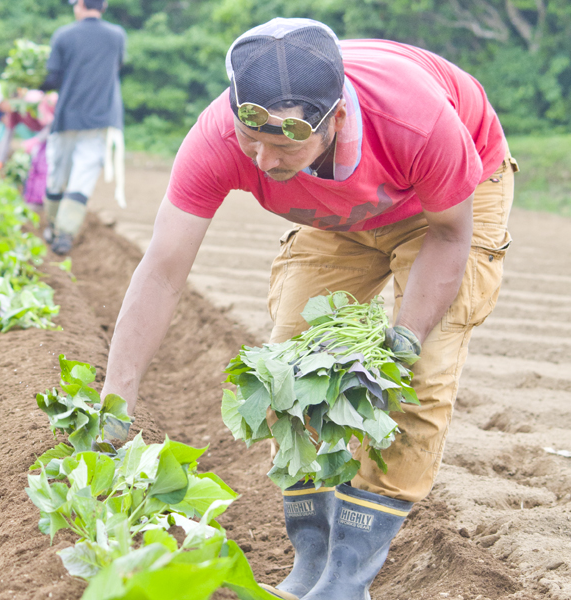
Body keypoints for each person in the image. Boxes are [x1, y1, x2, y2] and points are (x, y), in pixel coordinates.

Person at [98, 18, 517, 600]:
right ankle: (311, 553)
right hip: (339, 217)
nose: (265, 162)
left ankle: (347, 577)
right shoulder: (219, 137)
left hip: (441, 206)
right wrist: (116, 404)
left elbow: (451, 237)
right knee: (284, 368)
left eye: (286, 143)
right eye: (254, 141)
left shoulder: (414, 120)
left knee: (418, 377)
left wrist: (403, 339)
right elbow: (163, 269)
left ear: (335, 120)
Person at [39, 0, 126, 255]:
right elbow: (116, 67)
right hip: (100, 118)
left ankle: (53, 227)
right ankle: (65, 235)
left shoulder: (64, 35)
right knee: (82, 177)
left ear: (79, 4)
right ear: (104, 5)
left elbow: (51, 77)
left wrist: (36, 86)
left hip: (67, 117)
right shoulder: (117, 36)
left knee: (57, 176)